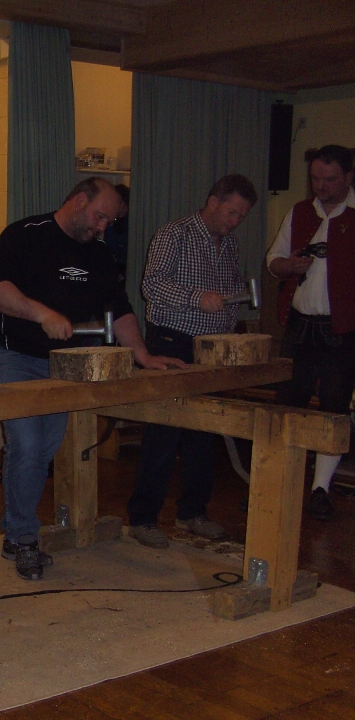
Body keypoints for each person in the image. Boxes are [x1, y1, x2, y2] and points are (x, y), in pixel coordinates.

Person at [0, 177, 185, 580]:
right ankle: (23, 537)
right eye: (100, 216)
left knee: (43, 449)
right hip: (13, 357)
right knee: (27, 445)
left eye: (110, 221)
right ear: (78, 201)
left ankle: (16, 531)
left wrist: (143, 355)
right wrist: (42, 314)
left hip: (64, 366)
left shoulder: (100, 255)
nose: (103, 226)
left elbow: (119, 309)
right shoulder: (26, 234)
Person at [126, 174, 258, 548]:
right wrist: (196, 297)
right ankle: (143, 518)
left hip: (212, 348)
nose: (235, 221)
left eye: (242, 216)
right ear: (213, 202)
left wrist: (231, 326)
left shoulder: (229, 244)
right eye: (232, 212)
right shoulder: (175, 234)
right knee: (164, 432)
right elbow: (152, 285)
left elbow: (230, 293)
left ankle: (193, 512)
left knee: (204, 432)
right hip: (172, 341)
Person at [268, 144, 355, 521]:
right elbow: (273, 262)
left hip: (343, 330)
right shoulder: (300, 212)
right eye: (316, 178)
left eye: (330, 179)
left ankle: (321, 488)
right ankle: (276, 482)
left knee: (335, 408)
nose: (321, 185)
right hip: (300, 325)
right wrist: (289, 265)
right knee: (288, 403)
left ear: (349, 177)